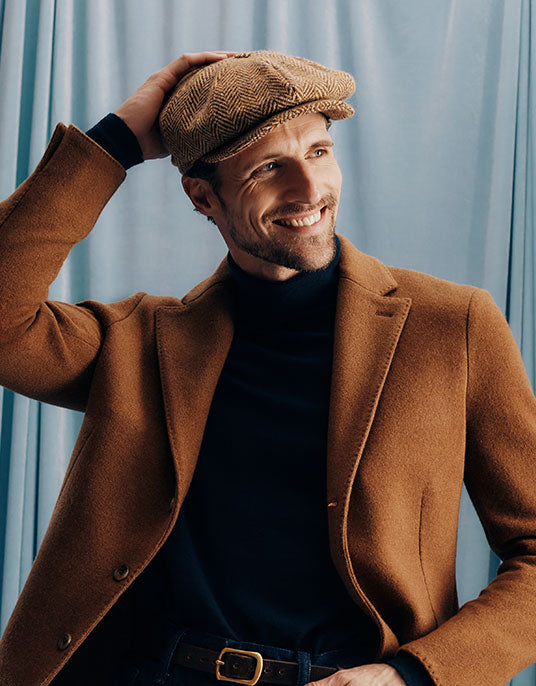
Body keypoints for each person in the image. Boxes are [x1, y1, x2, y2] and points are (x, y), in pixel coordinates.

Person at [0, 49, 535, 686]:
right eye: (268, 168)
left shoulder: (452, 326)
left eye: (319, 151)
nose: (310, 190)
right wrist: (115, 143)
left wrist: (411, 676)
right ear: (203, 196)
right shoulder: (141, 344)